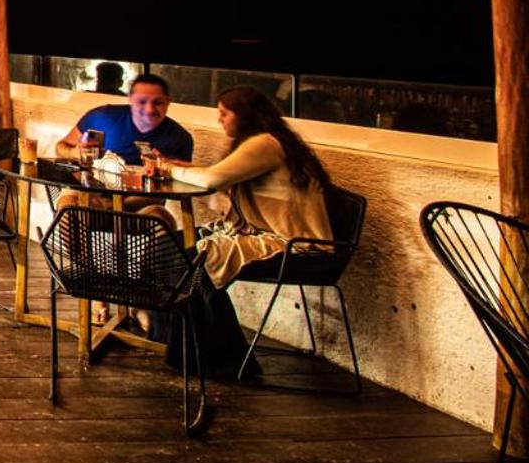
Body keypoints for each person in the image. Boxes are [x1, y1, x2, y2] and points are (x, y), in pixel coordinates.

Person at [161, 85, 336, 378]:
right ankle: (184, 349)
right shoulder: (263, 142)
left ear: (243, 115)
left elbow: (213, 179)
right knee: (175, 245)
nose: (220, 120)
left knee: (194, 257)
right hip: (267, 235)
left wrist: (168, 169)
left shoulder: (266, 144)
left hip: (298, 246)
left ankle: (225, 361)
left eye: (224, 113)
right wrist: (187, 168)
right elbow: (223, 175)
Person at [55, 73, 193, 166]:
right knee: (68, 198)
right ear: (130, 100)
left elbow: (178, 188)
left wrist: (167, 168)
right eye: (142, 102)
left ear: (168, 102)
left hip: (142, 198)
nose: (149, 110)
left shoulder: (180, 138)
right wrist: (73, 153)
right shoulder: (102, 117)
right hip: (88, 188)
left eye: (158, 103)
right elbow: (61, 146)